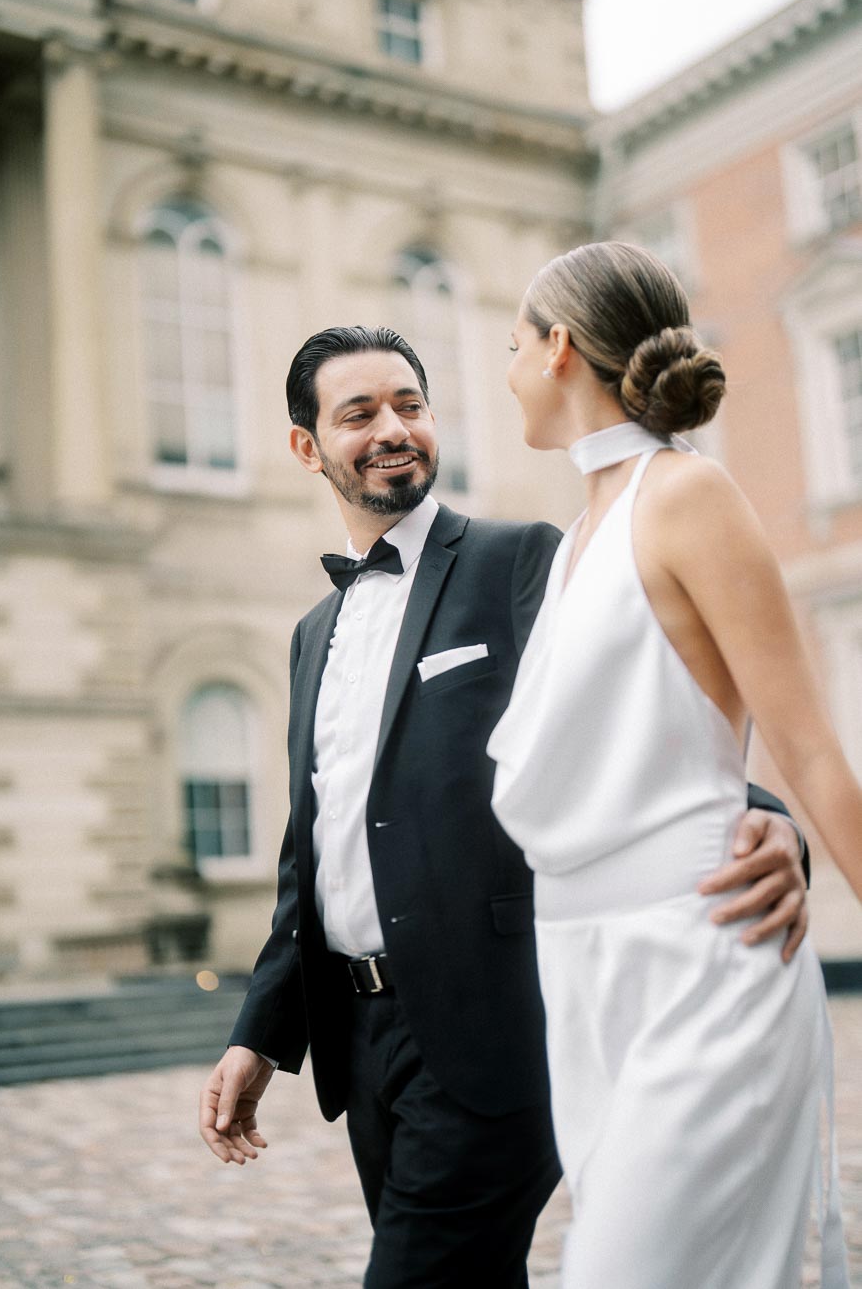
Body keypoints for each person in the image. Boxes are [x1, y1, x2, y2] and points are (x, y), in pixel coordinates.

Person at [199, 324, 810, 1289]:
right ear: (307, 448)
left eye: (409, 404)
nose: (392, 429)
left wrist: (761, 813)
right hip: (363, 1047)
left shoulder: (518, 561)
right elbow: (313, 851)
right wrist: (259, 1035)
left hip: (490, 1026)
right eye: (359, 414)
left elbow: (640, 709)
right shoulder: (313, 633)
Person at [488, 241, 860, 1288]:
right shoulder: (571, 543)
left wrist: (787, 831)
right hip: (583, 974)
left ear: (560, 349)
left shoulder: (687, 496)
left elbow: (812, 749)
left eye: (513, 344)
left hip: (702, 958)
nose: (505, 368)